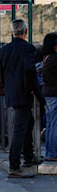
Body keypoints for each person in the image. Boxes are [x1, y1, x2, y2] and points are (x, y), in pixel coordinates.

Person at [0, 19, 46, 178]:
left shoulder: (5, 50)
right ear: (25, 32)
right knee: (19, 129)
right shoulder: (28, 49)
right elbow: (29, 72)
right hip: (23, 92)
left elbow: (3, 71)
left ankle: (28, 156)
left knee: (28, 123)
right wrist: (37, 94)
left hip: (12, 92)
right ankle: (14, 165)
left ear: (12, 32)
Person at [42, 32, 57, 161]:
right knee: (54, 124)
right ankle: (52, 153)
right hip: (54, 93)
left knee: (50, 124)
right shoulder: (55, 58)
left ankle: (49, 151)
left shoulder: (47, 58)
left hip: (48, 93)